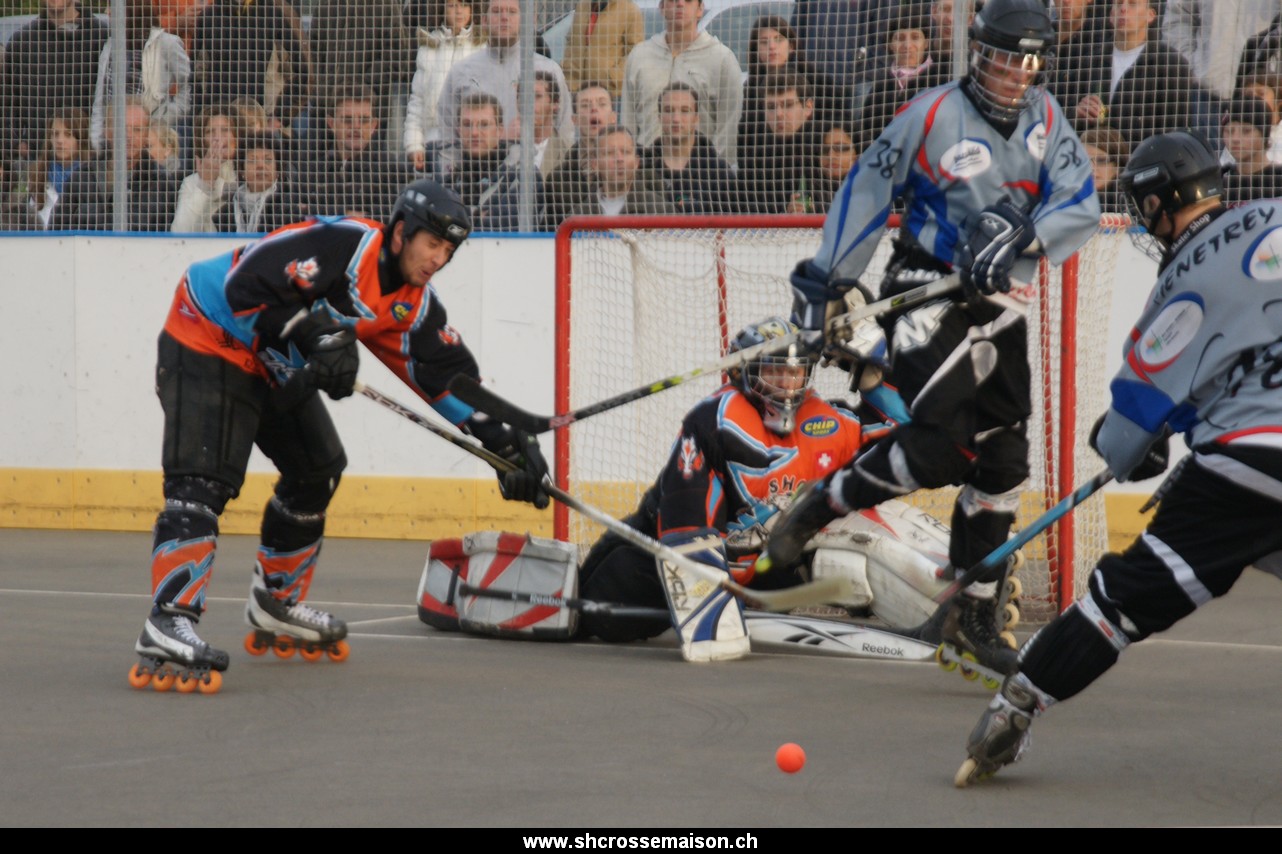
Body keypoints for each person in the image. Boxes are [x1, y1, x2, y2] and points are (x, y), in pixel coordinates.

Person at [758, 0, 1101, 677]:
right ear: (978, 52)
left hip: (1002, 304)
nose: (1015, 74)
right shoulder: (930, 114)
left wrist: (1024, 238)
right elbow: (866, 191)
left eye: (1029, 63)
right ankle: (823, 503)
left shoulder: (1048, 117)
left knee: (1003, 462)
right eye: (1003, 59)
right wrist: (828, 280)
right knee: (943, 445)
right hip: (926, 288)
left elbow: (1079, 200)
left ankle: (970, 614)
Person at [128, 179, 551, 692]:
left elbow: (447, 377)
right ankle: (168, 619)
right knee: (203, 479)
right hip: (209, 334)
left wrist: (505, 444)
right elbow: (245, 286)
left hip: (274, 365)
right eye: (432, 244)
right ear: (401, 232)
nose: (439, 259)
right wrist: (318, 334)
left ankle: (275, 602)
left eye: (448, 250)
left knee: (317, 471)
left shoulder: (413, 304)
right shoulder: (343, 244)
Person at [954, 129, 1282, 785]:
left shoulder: (1180, 282)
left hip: (1244, 466)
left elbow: (1128, 442)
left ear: (1159, 202)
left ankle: (1011, 711)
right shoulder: (1275, 214)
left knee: (1118, 602)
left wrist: (1136, 439)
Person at [577, 317, 906, 661]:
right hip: (663, 552)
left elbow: (907, 438)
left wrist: (871, 370)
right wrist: (712, 615)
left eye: (796, 372)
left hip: (763, 570)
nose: (787, 385)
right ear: (742, 371)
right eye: (774, 372)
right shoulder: (716, 421)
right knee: (598, 614)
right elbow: (685, 524)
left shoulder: (825, 422)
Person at [620, 0, 744, 169]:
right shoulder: (639, 56)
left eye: (688, 1)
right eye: (672, 0)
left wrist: (715, 171)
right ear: (662, 8)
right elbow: (628, 122)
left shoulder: (722, 59)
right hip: (647, 171)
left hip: (701, 173)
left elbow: (729, 127)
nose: (679, 4)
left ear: (700, 9)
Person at [1056, 0, 1193, 152]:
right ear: (1110, 14)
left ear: (1150, 15)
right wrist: (1077, 112)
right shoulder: (1089, 61)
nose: (1123, 9)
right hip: (1091, 161)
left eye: (1132, 4)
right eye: (1118, 3)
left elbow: (1176, 132)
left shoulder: (1171, 65)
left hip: (1143, 161)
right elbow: (1061, 118)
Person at [434, 0, 573, 145]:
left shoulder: (549, 71)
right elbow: (447, 136)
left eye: (512, 12)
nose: (504, 17)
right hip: (477, 160)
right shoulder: (461, 72)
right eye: (496, 11)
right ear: (484, 20)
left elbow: (565, 134)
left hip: (533, 159)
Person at [0, 0, 108, 169]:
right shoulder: (22, 42)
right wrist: (15, 144)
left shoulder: (102, 37)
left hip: (90, 165)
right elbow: (7, 106)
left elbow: (111, 101)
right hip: (38, 164)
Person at [52, 95, 180, 231]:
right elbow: (57, 234)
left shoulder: (161, 185)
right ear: (107, 131)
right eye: (121, 128)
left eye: (137, 129)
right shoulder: (81, 179)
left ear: (146, 135)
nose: (129, 136)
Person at [88, 0, 191, 155]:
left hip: (151, 141)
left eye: (113, 7)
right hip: (113, 141)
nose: (108, 13)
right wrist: (96, 143)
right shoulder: (110, 46)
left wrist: (163, 119)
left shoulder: (166, 43)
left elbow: (189, 87)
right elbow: (100, 101)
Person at [300, 83, 412, 222]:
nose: (356, 127)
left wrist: (321, 211)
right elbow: (294, 210)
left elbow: (396, 217)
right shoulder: (312, 171)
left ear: (374, 125)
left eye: (364, 120)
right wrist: (346, 213)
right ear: (331, 123)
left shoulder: (391, 171)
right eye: (347, 120)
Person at [429, 92, 541, 231]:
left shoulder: (524, 174)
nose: (474, 133)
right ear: (459, 130)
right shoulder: (442, 172)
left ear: (499, 130)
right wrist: (478, 216)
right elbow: (432, 222)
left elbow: (501, 226)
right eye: (467, 125)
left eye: (484, 125)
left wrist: (458, 218)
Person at [403, 0, 487, 172]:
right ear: (442, 8)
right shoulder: (429, 47)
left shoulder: (483, 48)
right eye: (452, 5)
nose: (458, 11)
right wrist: (414, 144)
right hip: (433, 142)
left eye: (464, 5)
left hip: (471, 144)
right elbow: (417, 101)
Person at [858, 1, 948, 143]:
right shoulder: (879, 89)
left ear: (926, 43)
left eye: (915, 37)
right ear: (890, 45)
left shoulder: (942, 79)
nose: (907, 45)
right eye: (900, 38)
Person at [642, 82, 737, 215]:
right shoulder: (641, 169)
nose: (676, 119)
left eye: (685, 111)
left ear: (696, 118)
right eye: (669, 110)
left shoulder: (720, 174)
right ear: (659, 117)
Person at [737, 70, 823, 215]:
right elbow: (746, 207)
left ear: (808, 107)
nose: (779, 114)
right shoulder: (756, 157)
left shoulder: (826, 147)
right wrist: (784, 213)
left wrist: (815, 209)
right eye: (771, 107)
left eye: (788, 105)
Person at [542, 81, 619, 230]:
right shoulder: (558, 179)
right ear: (575, 120)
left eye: (602, 104)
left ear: (613, 117)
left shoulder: (637, 167)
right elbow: (550, 232)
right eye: (585, 105)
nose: (594, 109)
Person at [562, 125, 669, 218]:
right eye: (610, 153)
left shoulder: (661, 211)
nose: (619, 159)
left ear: (636, 162)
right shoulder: (578, 216)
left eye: (625, 152)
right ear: (595, 164)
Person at [212, 131, 300, 233]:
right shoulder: (223, 215)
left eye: (268, 160)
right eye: (252, 160)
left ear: (278, 169)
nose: (260, 166)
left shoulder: (291, 207)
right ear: (241, 170)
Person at [171, 103, 238, 233]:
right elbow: (179, 232)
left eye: (225, 130)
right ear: (202, 140)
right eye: (210, 132)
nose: (217, 138)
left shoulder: (250, 174)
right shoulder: (191, 183)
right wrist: (205, 183)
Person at [561, 0, 644, 104]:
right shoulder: (582, 6)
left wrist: (614, 76)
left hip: (609, 93)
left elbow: (635, 52)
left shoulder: (629, 10)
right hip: (575, 90)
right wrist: (567, 66)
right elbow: (571, 40)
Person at [26, 108, 91, 230]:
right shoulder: (38, 175)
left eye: (68, 134)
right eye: (55, 134)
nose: (60, 141)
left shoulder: (91, 177)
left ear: (80, 138)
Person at [1220, 94, 1282, 205]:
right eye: (1229, 131)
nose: (1235, 139)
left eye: (1246, 131)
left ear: (1264, 134)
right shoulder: (1218, 183)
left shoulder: (1278, 180)